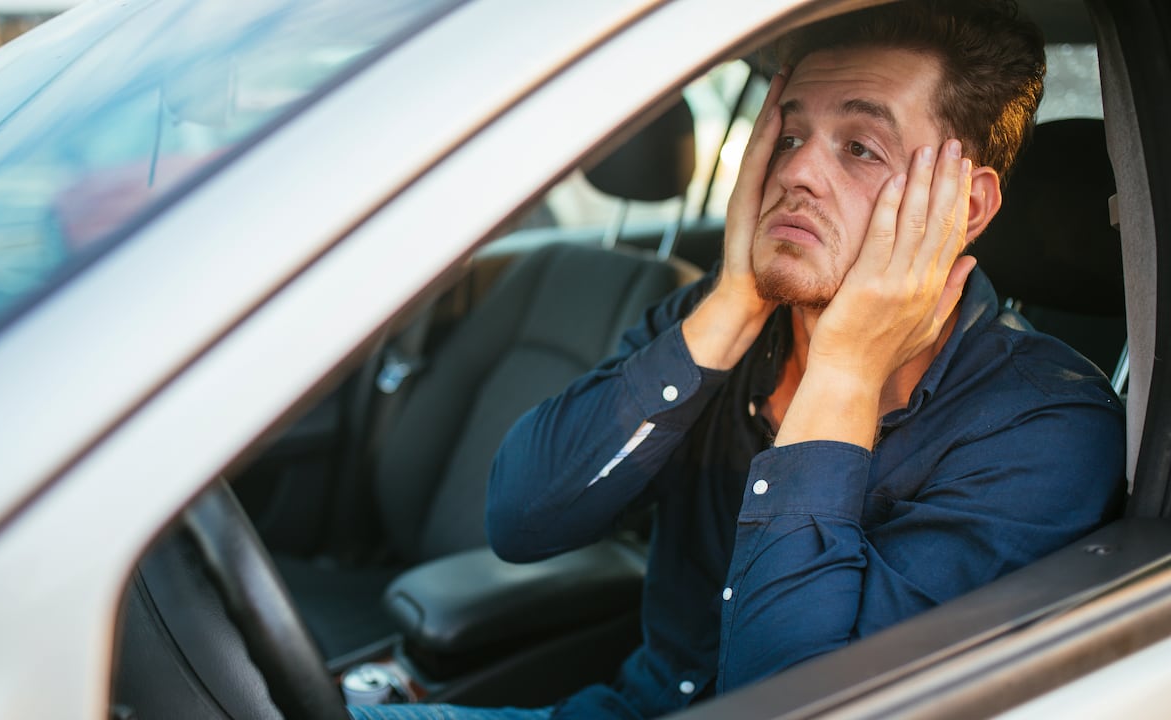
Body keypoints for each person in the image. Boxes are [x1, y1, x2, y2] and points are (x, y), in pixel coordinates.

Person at [349, 1, 1125, 718]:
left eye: (860, 147)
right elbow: (520, 518)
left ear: (967, 207)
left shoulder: (1046, 431)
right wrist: (732, 301)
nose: (797, 173)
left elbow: (792, 700)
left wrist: (845, 374)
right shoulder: (725, 322)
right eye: (788, 137)